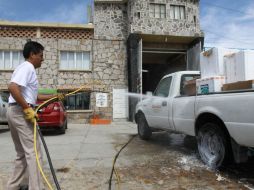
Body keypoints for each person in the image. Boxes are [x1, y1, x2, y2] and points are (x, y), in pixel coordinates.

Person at [6, 41, 64, 190]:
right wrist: (27, 109)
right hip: (20, 112)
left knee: (22, 154)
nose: (42, 59)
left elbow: (34, 95)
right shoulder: (28, 67)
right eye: (41, 55)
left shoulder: (23, 68)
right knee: (34, 153)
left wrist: (55, 97)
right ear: (32, 55)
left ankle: (12, 187)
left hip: (14, 111)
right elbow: (12, 87)